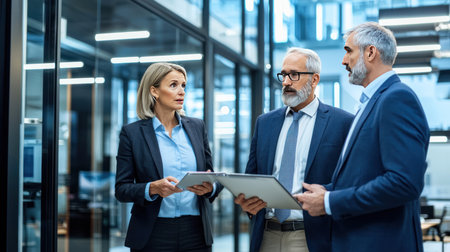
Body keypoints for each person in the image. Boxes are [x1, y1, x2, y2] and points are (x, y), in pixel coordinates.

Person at [296, 22, 430, 251]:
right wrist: (328, 190)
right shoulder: (371, 103)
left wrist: (330, 202)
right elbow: (364, 176)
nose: (343, 60)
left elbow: (404, 182)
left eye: (349, 51)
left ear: (370, 52)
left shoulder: (396, 99)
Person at [234, 48, 354, 252]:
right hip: (266, 234)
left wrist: (327, 195)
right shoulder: (265, 123)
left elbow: (351, 180)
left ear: (314, 79)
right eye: (283, 75)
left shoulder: (343, 123)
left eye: (294, 75)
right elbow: (252, 176)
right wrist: (248, 202)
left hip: (312, 236)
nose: (286, 82)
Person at [115, 62, 222, 252]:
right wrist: (152, 188)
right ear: (154, 91)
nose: (181, 91)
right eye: (173, 85)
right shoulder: (132, 134)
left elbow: (211, 174)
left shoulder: (197, 127)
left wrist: (210, 187)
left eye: (183, 86)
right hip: (152, 233)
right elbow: (122, 189)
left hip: (195, 233)